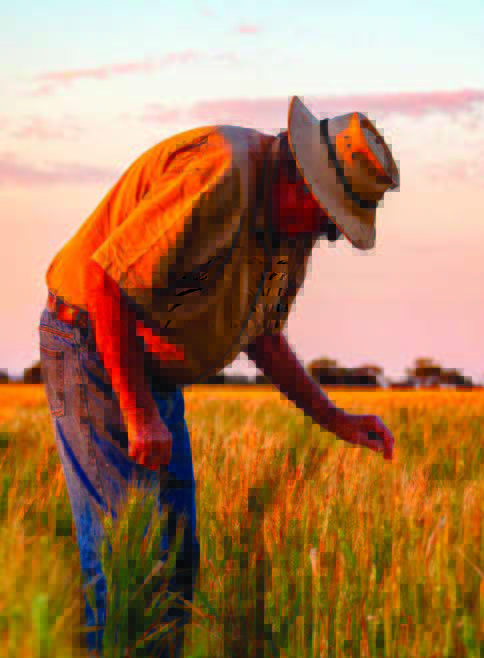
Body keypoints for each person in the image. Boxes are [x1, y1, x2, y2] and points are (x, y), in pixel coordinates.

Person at [39, 96, 400, 657]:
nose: (327, 235)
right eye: (331, 221)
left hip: (151, 369)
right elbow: (105, 281)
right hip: (93, 347)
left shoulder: (290, 235)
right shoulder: (222, 172)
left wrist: (336, 419)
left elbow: (264, 335)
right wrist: (137, 412)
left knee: (176, 565)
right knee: (123, 564)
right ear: (304, 184)